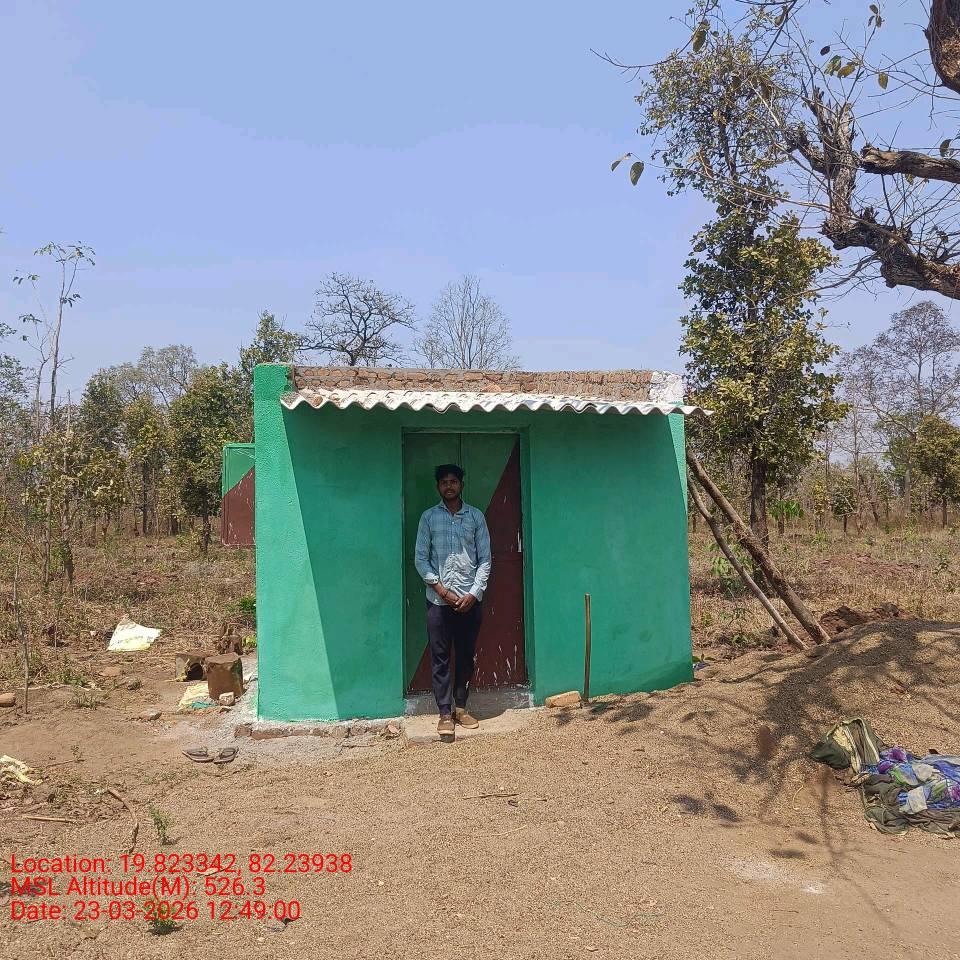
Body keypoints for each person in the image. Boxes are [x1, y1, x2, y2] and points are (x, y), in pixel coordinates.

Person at [414, 463, 491, 741]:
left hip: (470, 602)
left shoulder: (475, 517)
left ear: (461, 485)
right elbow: (420, 559)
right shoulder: (428, 518)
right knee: (440, 658)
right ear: (438, 487)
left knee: (466, 656)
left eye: (453, 481)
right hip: (438, 602)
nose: (449, 486)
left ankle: (461, 708)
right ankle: (445, 713)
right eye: (444, 482)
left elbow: (485, 560)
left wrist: (473, 593)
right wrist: (443, 591)